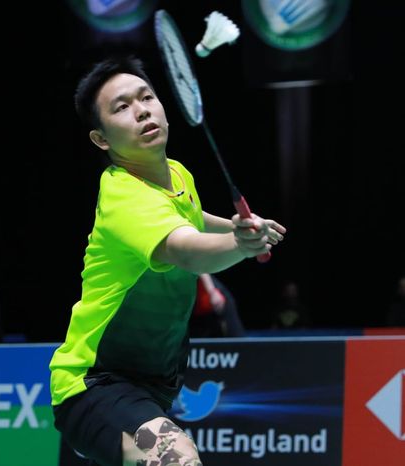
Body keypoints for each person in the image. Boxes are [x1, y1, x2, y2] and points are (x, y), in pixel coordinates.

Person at [49, 56, 286, 466]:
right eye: (121, 107)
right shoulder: (124, 198)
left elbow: (191, 218)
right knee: (175, 458)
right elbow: (186, 249)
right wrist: (241, 245)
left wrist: (232, 226)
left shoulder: (176, 174)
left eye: (147, 97)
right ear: (101, 139)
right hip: (94, 382)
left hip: (153, 383)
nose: (141, 110)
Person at [189, 273, 245, 338]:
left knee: (234, 338)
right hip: (197, 312)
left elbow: (200, 269)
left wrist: (212, 292)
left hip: (213, 300)